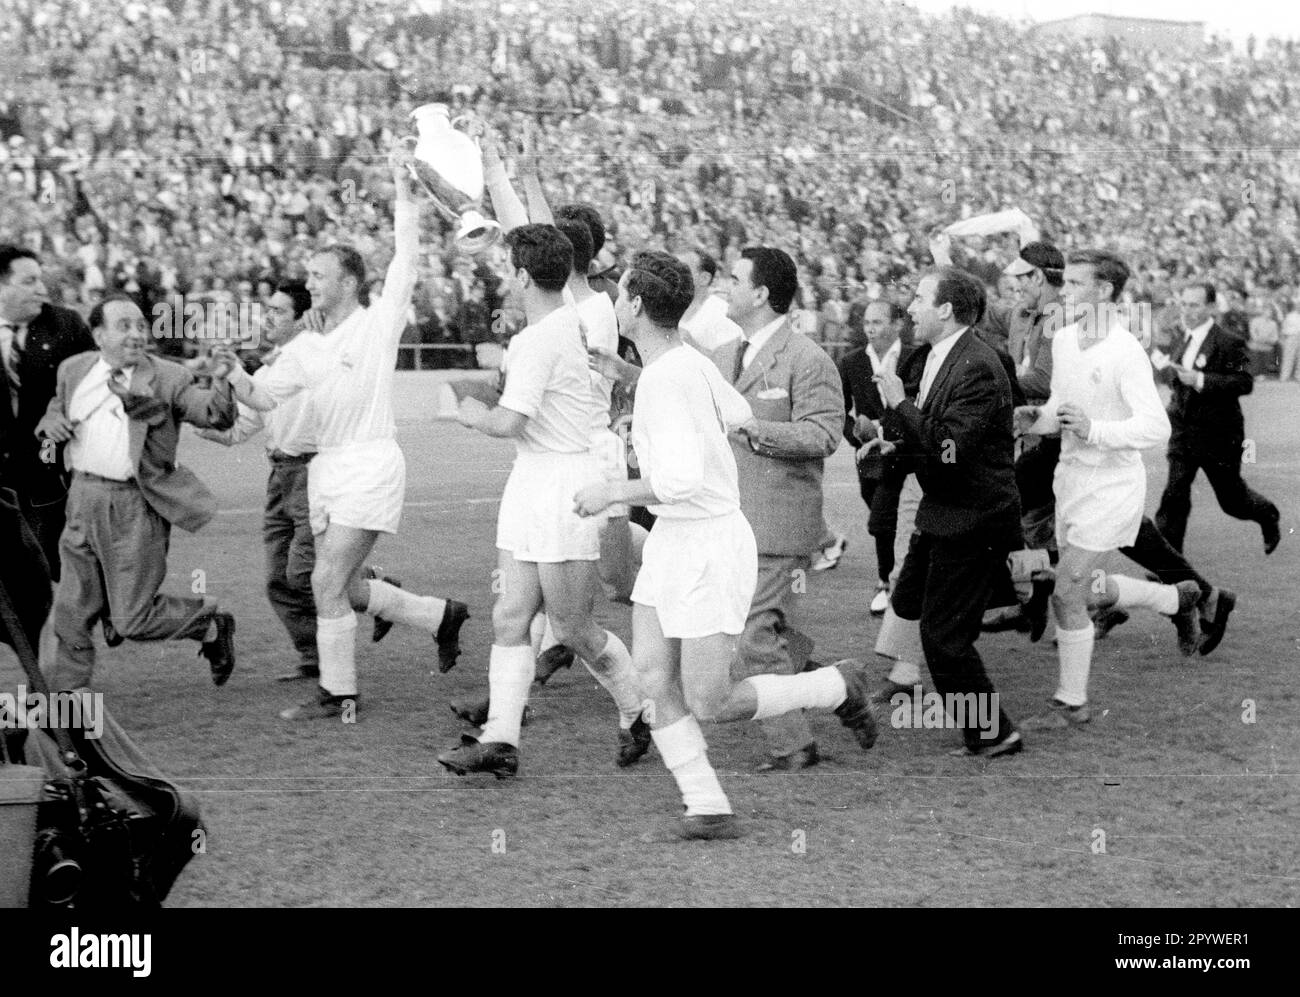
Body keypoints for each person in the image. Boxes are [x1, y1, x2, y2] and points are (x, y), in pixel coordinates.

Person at [573, 251, 878, 839]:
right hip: (675, 539)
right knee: (652, 677)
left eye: (619, 295)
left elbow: (684, 481)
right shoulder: (686, 362)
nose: (613, 303)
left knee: (710, 697)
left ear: (634, 306)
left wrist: (613, 489)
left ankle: (835, 684)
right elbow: (737, 412)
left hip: (708, 540)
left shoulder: (672, 373)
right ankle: (706, 802)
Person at [224, 142, 470, 720]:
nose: (309, 283)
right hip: (326, 471)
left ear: (352, 282)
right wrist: (231, 374)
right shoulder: (306, 344)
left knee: (326, 580)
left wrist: (404, 198)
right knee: (338, 581)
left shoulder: (376, 325)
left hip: (369, 464)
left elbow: (405, 263)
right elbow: (262, 396)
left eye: (319, 274)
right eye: (307, 274)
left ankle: (338, 693)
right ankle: (439, 617)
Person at [436, 224, 645, 779]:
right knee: (510, 616)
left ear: (524, 275)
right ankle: (500, 740)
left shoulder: (541, 336)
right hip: (535, 480)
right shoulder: (568, 320)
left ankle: (638, 709)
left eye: (510, 267)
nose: (507, 277)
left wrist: (470, 411)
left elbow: (509, 421)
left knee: (573, 629)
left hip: (563, 485)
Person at [1016, 251, 1202, 731]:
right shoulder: (1062, 340)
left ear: (1103, 291)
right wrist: (1034, 418)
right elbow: (1060, 407)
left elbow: (1155, 427)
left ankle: (1071, 703)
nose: (1067, 290)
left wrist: (1095, 429)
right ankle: (1176, 600)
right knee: (1084, 587)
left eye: (1076, 283)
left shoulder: (1124, 351)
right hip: (1071, 480)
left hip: (1113, 485)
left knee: (1068, 589)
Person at [197, 280, 400, 681]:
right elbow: (240, 428)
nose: (267, 318)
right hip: (280, 476)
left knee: (305, 574)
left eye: (278, 312)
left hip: (311, 474)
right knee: (278, 578)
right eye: (267, 309)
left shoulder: (314, 362)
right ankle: (317, 657)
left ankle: (374, 592)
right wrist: (194, 417)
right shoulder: (273, 367)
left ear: (301, 320)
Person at [34, 295, 238, 691]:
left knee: (132, 620)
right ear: (98, 335)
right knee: (70, 611)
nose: (136, 334)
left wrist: (221, 379)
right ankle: (64, 702)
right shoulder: (73, 370)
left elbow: (214, 414)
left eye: (141, 326)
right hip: (81, 499)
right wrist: (53, 421)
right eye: (124, 326)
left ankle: (209, 622)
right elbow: (55, 409)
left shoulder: (168, 377)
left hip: (134, 506)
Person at [872, 267, 1022, 756]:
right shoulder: (941, 355)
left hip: (973, 517)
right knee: (908, 600)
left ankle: (994, 735)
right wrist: (892, 446)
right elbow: (936, 442)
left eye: (918, 299)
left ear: (945, 309)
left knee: (943, 638)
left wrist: (899, 403)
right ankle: (1023, 583)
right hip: (944, 511)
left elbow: (950, 448)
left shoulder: (977, 364)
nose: (910, 308)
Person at [709, 246, 844, 771]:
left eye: (734, 278)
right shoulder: (723, 354)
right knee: (769, 635)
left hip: (777, 524)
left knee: (751, 637)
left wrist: (754, 429)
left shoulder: (809, 358)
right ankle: (840, 685)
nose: (725, 285)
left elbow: (823, 434)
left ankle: (794, 746)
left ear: (762, 294)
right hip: (733, 522)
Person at [1154, 282, 1281, 557]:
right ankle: (1170, 566)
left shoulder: (1228, 341)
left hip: (1218, 433)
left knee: (1232, 501)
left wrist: (1201, 380)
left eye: (1195, 305)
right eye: (1184, 304)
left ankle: (1267, 515)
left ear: (1211, 307)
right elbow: (1173, 378)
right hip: (1184, 429)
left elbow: (1244, 382)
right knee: (1174, 494)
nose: (1187, 311)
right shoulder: (1181, 337)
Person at [0, 245, 95, 581]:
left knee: (51, 559)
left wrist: (59, 410)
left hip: (47, 463)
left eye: (40, 279)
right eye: (29, 281)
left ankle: (113, 609)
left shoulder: (64, 325)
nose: (41, 289)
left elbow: (98, 382)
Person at [838, 299, 908, 614]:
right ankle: (896, 578)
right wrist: (858, 433)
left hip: (905, 450)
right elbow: (839, 410)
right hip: (868, 456)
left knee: (882, 519)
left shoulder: (914, 357)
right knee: (881, 515)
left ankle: (886, 583)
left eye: (878, 322)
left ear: (897, 324)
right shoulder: (852, 362)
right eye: (867, 322)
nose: (870, 328)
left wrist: (888, 429)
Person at [679, 247, 741, 354]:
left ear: (704, 278)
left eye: (682, 270)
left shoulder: (721, 311)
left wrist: (693, 345)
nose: (673, 275)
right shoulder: (668, 306)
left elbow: (731, 362)